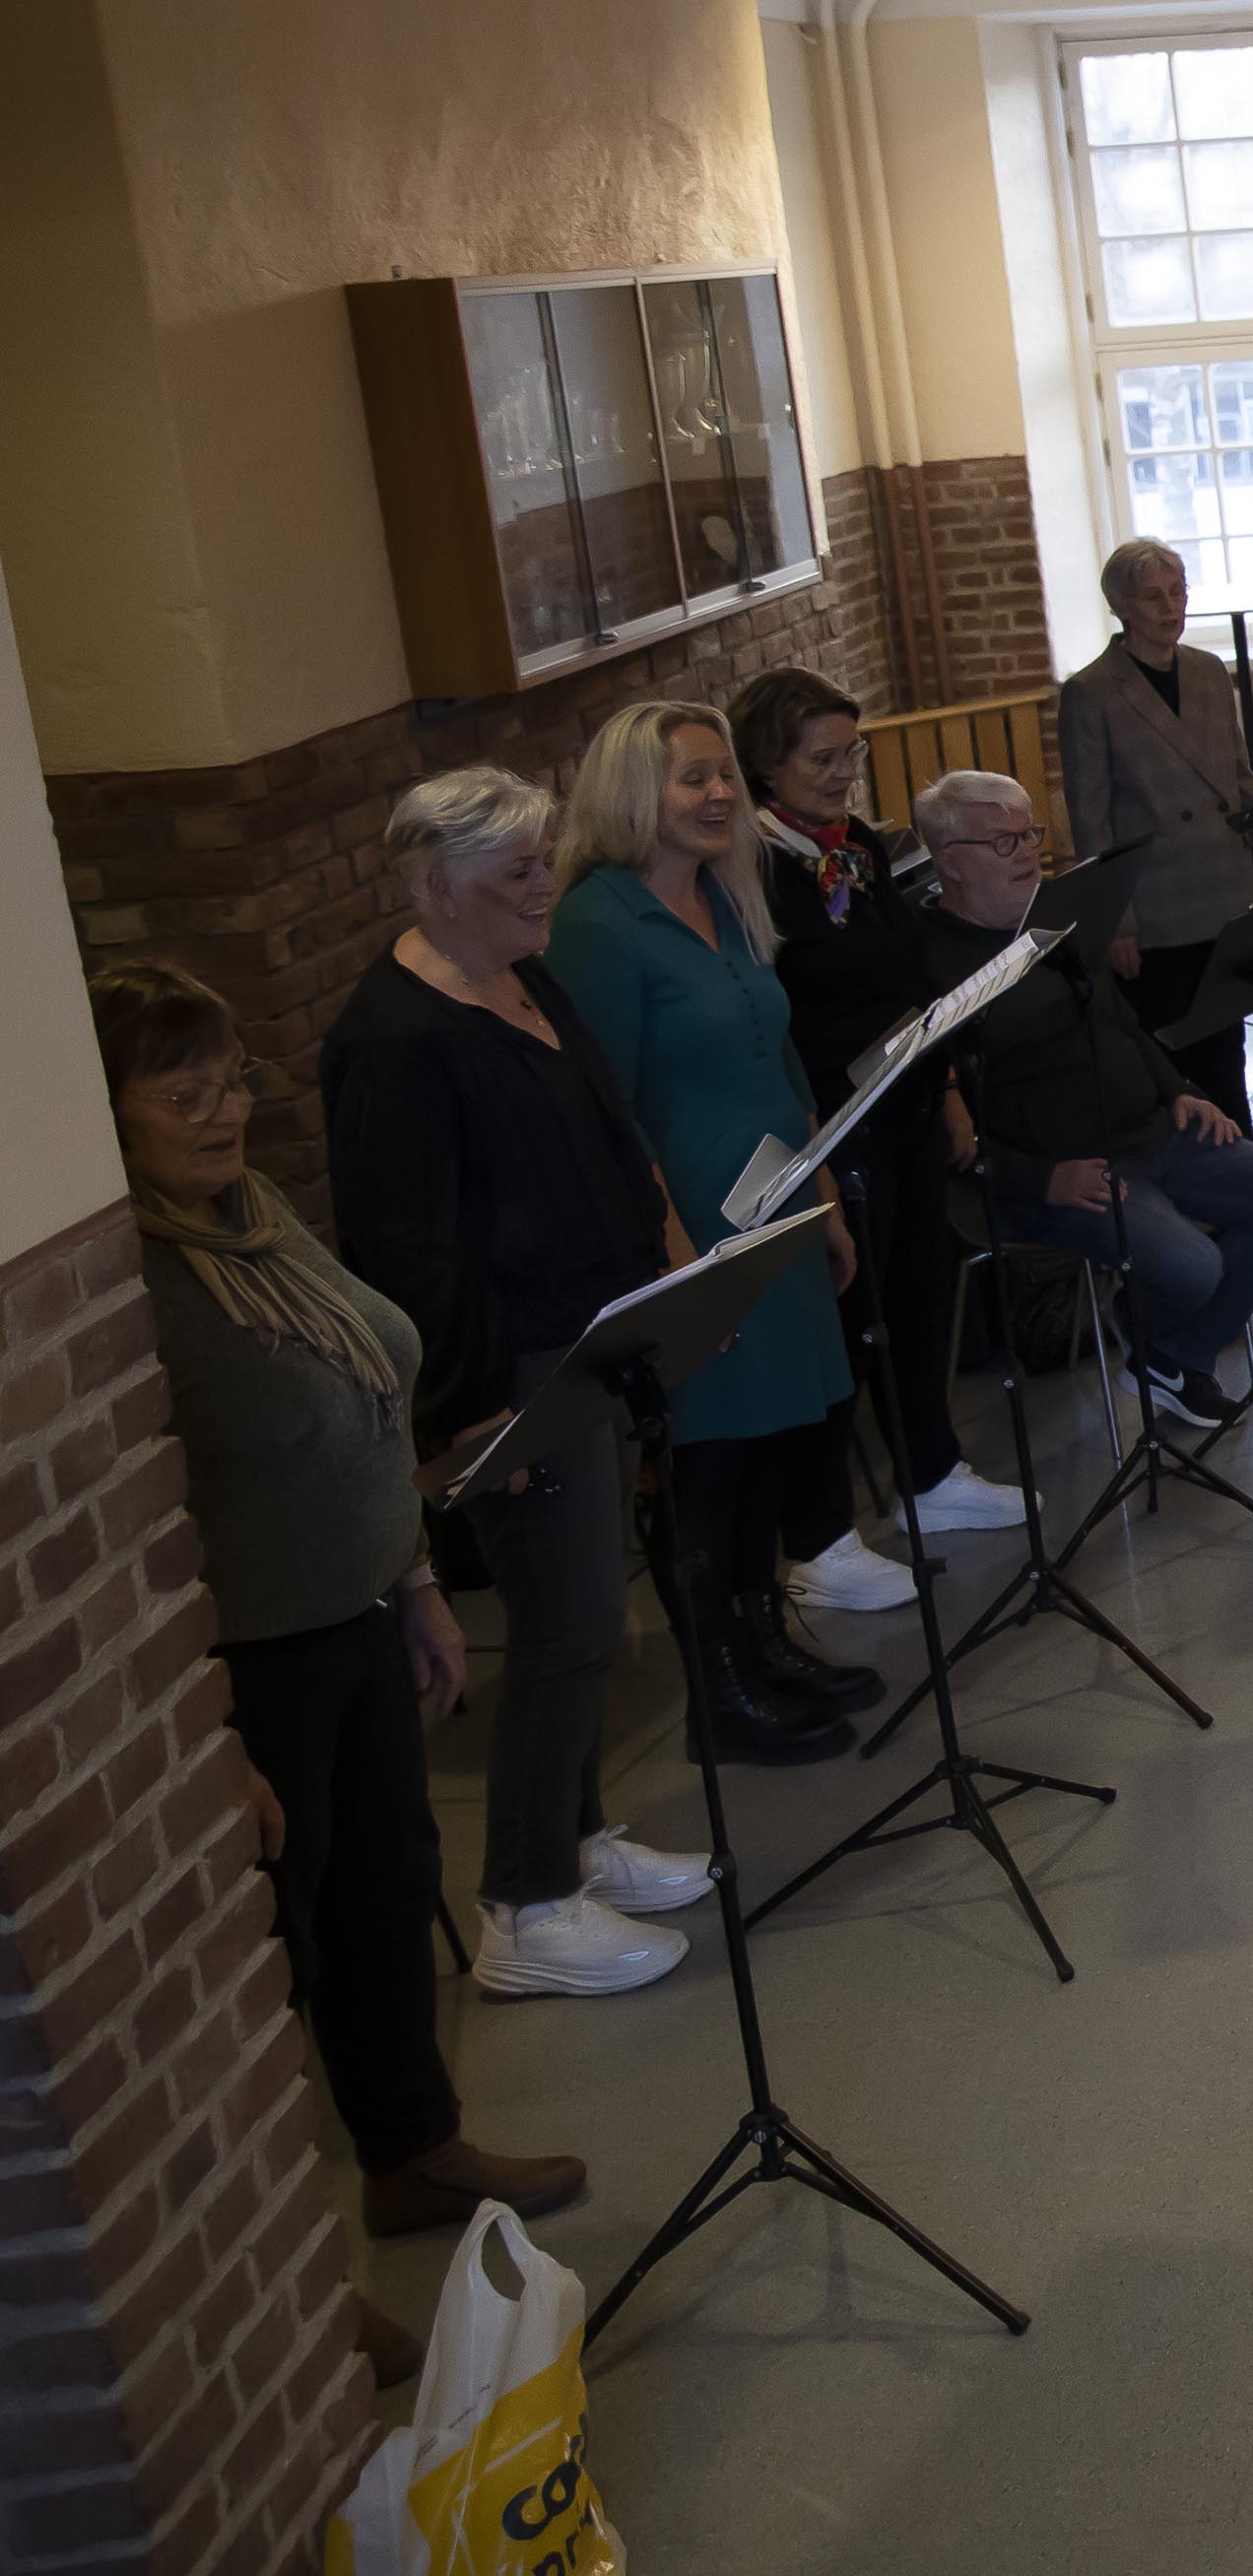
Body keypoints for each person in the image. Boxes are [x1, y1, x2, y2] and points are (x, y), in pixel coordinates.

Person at [99, 959, 586, 2360]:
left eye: (229, 1077)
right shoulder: (132, 1273)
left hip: (362, 1611)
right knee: (282, 1959)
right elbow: (139, 1517)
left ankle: (412, 2148)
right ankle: (298, 2279)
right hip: (250, 1658)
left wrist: (419, 1579)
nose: (218, 1107)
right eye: (177, 1091)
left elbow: (371, 1397)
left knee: (388, 1893)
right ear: (110, 1114)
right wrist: (207, 1728)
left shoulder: (255, 1215)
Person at [318, 767, 708, 2000]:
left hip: (590, 1333)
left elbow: (602, 1126)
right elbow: (408, 1251)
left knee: (591, 1609)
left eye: (545, 857)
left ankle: (579, 1838)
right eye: (517, 869)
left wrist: (659, 1241)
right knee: (567, 1622)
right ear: (437, 886)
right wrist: (473, 1414)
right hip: (510, 1370)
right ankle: (526, 1904)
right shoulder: (392, 1039)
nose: (546, 882)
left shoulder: (521, 973)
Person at [543, 700, 875, 1766]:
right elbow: (608, 1104)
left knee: (775, 1440)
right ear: (634, 793)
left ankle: (762, 1638)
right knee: (712, 1459)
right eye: (694, 779)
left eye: (724, 776)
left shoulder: (723, 897)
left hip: (775, 1203)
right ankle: (717, 1691)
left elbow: (778, 1059)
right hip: (691, 1222)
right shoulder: (598, 923)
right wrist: (673, 1249)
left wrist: (820, 1182)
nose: (720, 795)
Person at [732, 666, 1031, 1582]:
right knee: (848, 1321)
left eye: (850, 751)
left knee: (918, 1290)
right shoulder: (757, 867)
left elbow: (910, 978)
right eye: (821, 757)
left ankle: (930, 1471)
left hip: (901, 1102)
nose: (842, 771)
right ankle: (819, 1538)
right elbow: (781, 1005)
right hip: (830, 1122)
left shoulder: (853, 843)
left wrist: (942, 1087)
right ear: (766, 765)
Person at [916, 769, 1253, 1424]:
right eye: (1003, 842)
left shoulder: (1054, 922)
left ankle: (1170, 1354)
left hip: (1151, 1130)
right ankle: (1167, 1347)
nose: (1025, 850)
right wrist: (1041, 1179)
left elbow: (1121, 1022)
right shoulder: (928, 964)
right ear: (949, 863)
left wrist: (1179, 1091)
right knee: (1194, 1266)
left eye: (1029, 834)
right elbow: (943, 1123)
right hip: (1065, 1175)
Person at [1056, 536, 1253, 1126]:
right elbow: (1090, 817)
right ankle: (1194, 1177)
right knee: (1170, 1053)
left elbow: (1240, 779)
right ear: (1122, 606)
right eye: (1153, 596)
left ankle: (1243, 1163)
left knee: (1227, 1047)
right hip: (1153, 909)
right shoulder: (1091, 691)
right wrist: (1114, 922)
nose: (1170, 606)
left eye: (1177, 591)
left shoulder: (1207, 670)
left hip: (1223, 889)